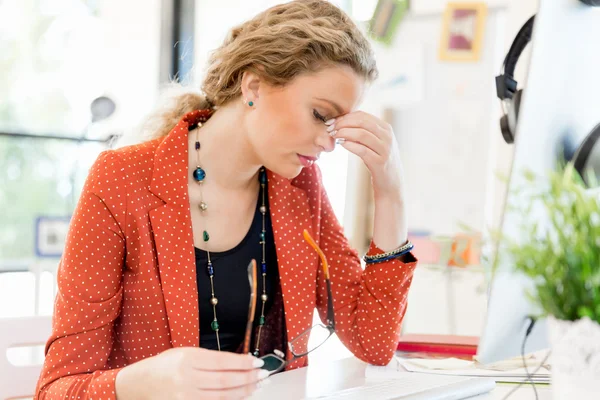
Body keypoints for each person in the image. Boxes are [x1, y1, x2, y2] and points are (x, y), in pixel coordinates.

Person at [35, 1, 417, 399]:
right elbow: (56, 389)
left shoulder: (301, 188)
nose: (330, 142)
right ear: (253, 87)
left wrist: (391, 191)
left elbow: (374, 342)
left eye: (338, 125)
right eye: (321, 115)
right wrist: (146, 381)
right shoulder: (122, 179)